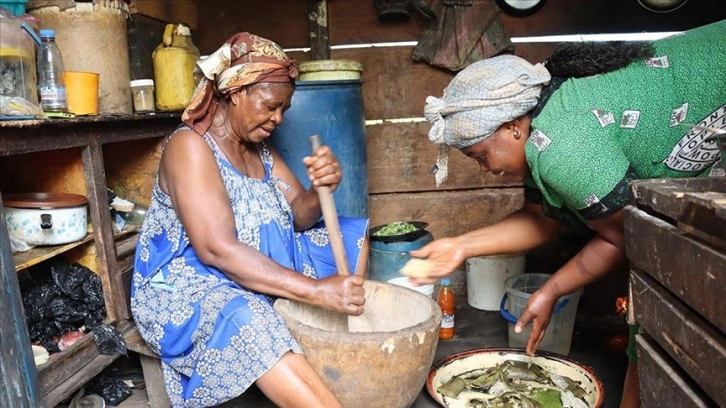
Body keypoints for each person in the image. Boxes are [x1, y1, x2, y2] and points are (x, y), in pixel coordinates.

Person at [409, 20, 725, 408]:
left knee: (652, 342)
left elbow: (626, 237)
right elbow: (541, 217)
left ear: (511, 128)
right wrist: (461, 246)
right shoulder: (541, 128)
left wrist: (552, 289)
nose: (484, 168)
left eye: (479, 156)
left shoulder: (559, 146)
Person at [130, 32, 369, 408]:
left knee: (351, 233)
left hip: (253, 258)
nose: (278, 118)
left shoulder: (259, 149)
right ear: (237, 92)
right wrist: (317, 291)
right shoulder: (190, 147)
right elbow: (216, 250)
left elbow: (301, 218)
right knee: (247, 316)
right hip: (186, 282)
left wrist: (322, 187)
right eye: (271, 106)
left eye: (284, 110)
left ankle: (314, 353)